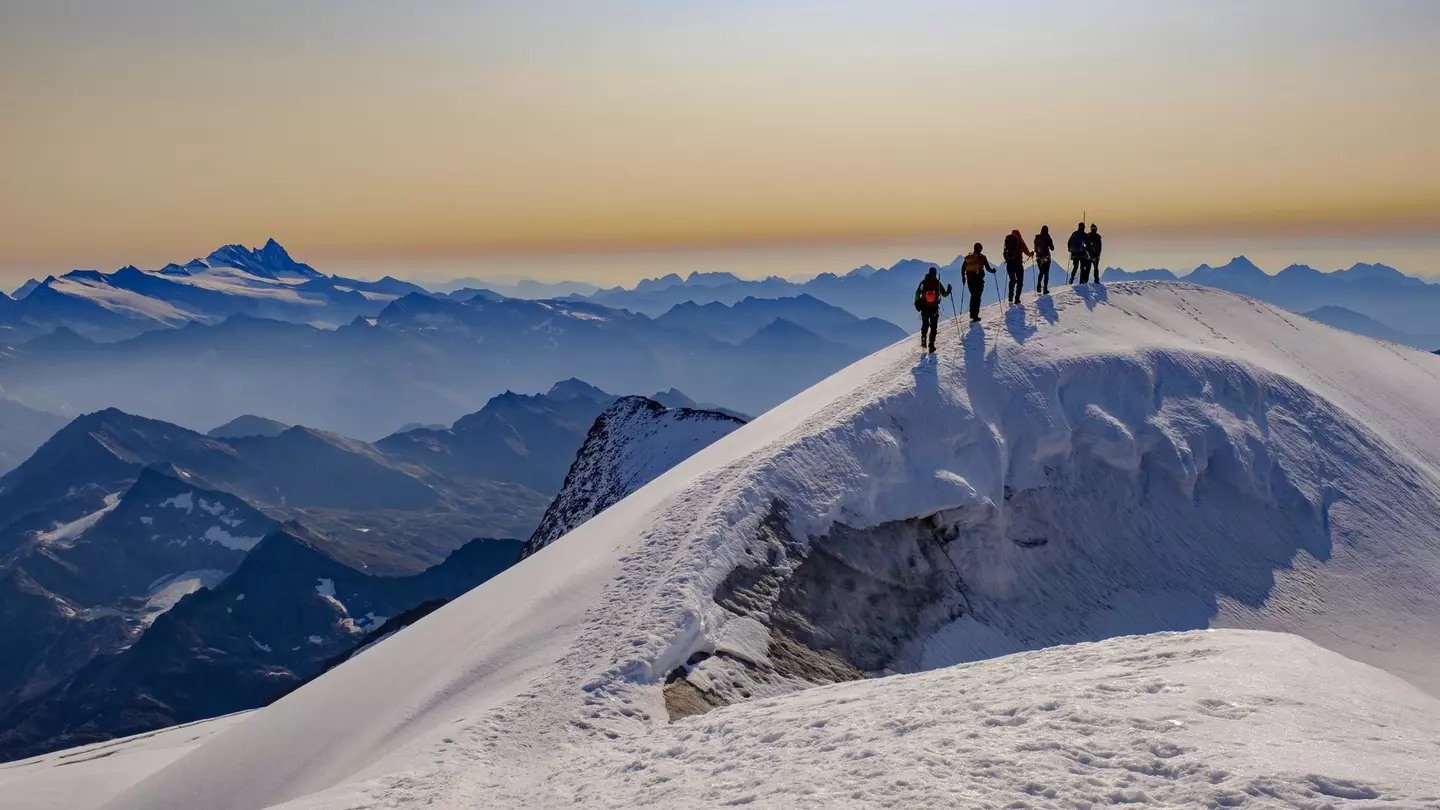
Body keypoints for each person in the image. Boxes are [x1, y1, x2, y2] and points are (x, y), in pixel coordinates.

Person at [913, 266, 951, 352]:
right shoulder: (937, 283)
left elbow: (917, 293)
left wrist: (917, 303)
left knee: (925, 324)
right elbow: (944, 294)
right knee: (933, 327)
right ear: (935, 274)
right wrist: (949, 290)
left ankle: (923, 340)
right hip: (934, 308)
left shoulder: (923, 282)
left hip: (924, 308)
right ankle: (931, 345)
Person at [960, 243, 993, 323]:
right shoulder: (982, 257)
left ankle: (972, 313)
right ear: (980, 249)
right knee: (977, 297)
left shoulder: (969, 258)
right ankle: (975, 315)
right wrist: (993, 271)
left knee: (973, 295)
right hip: (978, 280)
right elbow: (988, 268)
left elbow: (963, 267)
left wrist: (963, 278)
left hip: (970, 279)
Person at [1002, 230, 1033, 305]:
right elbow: (1027, 252)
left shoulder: (1008, 242)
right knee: (1020, 282)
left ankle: (1010, 297)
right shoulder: (1020, 242)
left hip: (1010, 265)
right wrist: (1031, 254)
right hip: (1018, 265)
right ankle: (1017, 298)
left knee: (1012, 280)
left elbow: (1004, 252)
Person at [1033, 225, 1055, 295]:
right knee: (1046, 273)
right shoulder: (1047, 238)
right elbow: (1052, 248)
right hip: (1046, 257)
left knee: (1041, 271)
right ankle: (1045, 289)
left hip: (1038, 258)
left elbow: (1035, 248)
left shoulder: (1037, 237)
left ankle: (1039, 286)